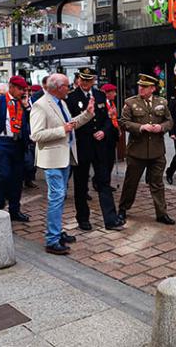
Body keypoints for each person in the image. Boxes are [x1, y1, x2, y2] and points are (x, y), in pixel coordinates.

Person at [30, 74, 98, 255]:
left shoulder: (61, 102)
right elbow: (36, 135)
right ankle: (52, 240)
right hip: (52, 160)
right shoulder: (41, 105)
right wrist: (62, 130)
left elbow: (71, 124)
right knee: (56, 197)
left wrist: (88, 114)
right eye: (67, 85)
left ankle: (57, 231)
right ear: (57, 87)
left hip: (65, 156)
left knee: (59, 197)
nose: (70, 88)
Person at [66, 68, 122, 230]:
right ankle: (83, 218)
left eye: (89, 80)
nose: (85, 83)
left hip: (99, 147)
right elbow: (70, 122)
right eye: (83, 79)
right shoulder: (71, 98)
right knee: (81, 184)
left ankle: (111, 219)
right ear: (79, 80)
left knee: (104, 181)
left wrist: (104, 131)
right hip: (82, 146)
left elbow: (107, 118)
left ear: (93, 81)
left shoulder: (99, 95)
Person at [118, 74, 176, 225]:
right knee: (131, 182)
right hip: (137, 151)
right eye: (140, 86)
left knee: (157, 183)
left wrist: (161, 127)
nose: (141, 89)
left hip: (157, 151)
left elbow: (169, 121)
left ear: (153, 89)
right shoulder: (130, 103)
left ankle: (161, 213)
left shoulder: (162, 102)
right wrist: (141, 127)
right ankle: (123, 209)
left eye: (144, 87)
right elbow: (123, 122)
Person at [0, 76, 31, 222]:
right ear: (12, 87)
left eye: (24, 90)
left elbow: (30, 121)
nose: (22, 92)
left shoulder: (23, 103)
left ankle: (15, 210)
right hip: (2, 142)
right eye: (20, 89)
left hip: (18, 143)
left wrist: (26, 106)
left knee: (17, 178)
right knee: (3, 175)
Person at [102, 83, 121, 191]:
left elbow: (114, 118)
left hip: (112, 134)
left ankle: (107, 182)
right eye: (113, 92)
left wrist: (118, 129)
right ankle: (102, 182)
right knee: (105, 161)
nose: (115, 94)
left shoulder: (112, 103)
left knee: (110, 160)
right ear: (107, 93)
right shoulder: (103, 104)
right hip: (106, 135)